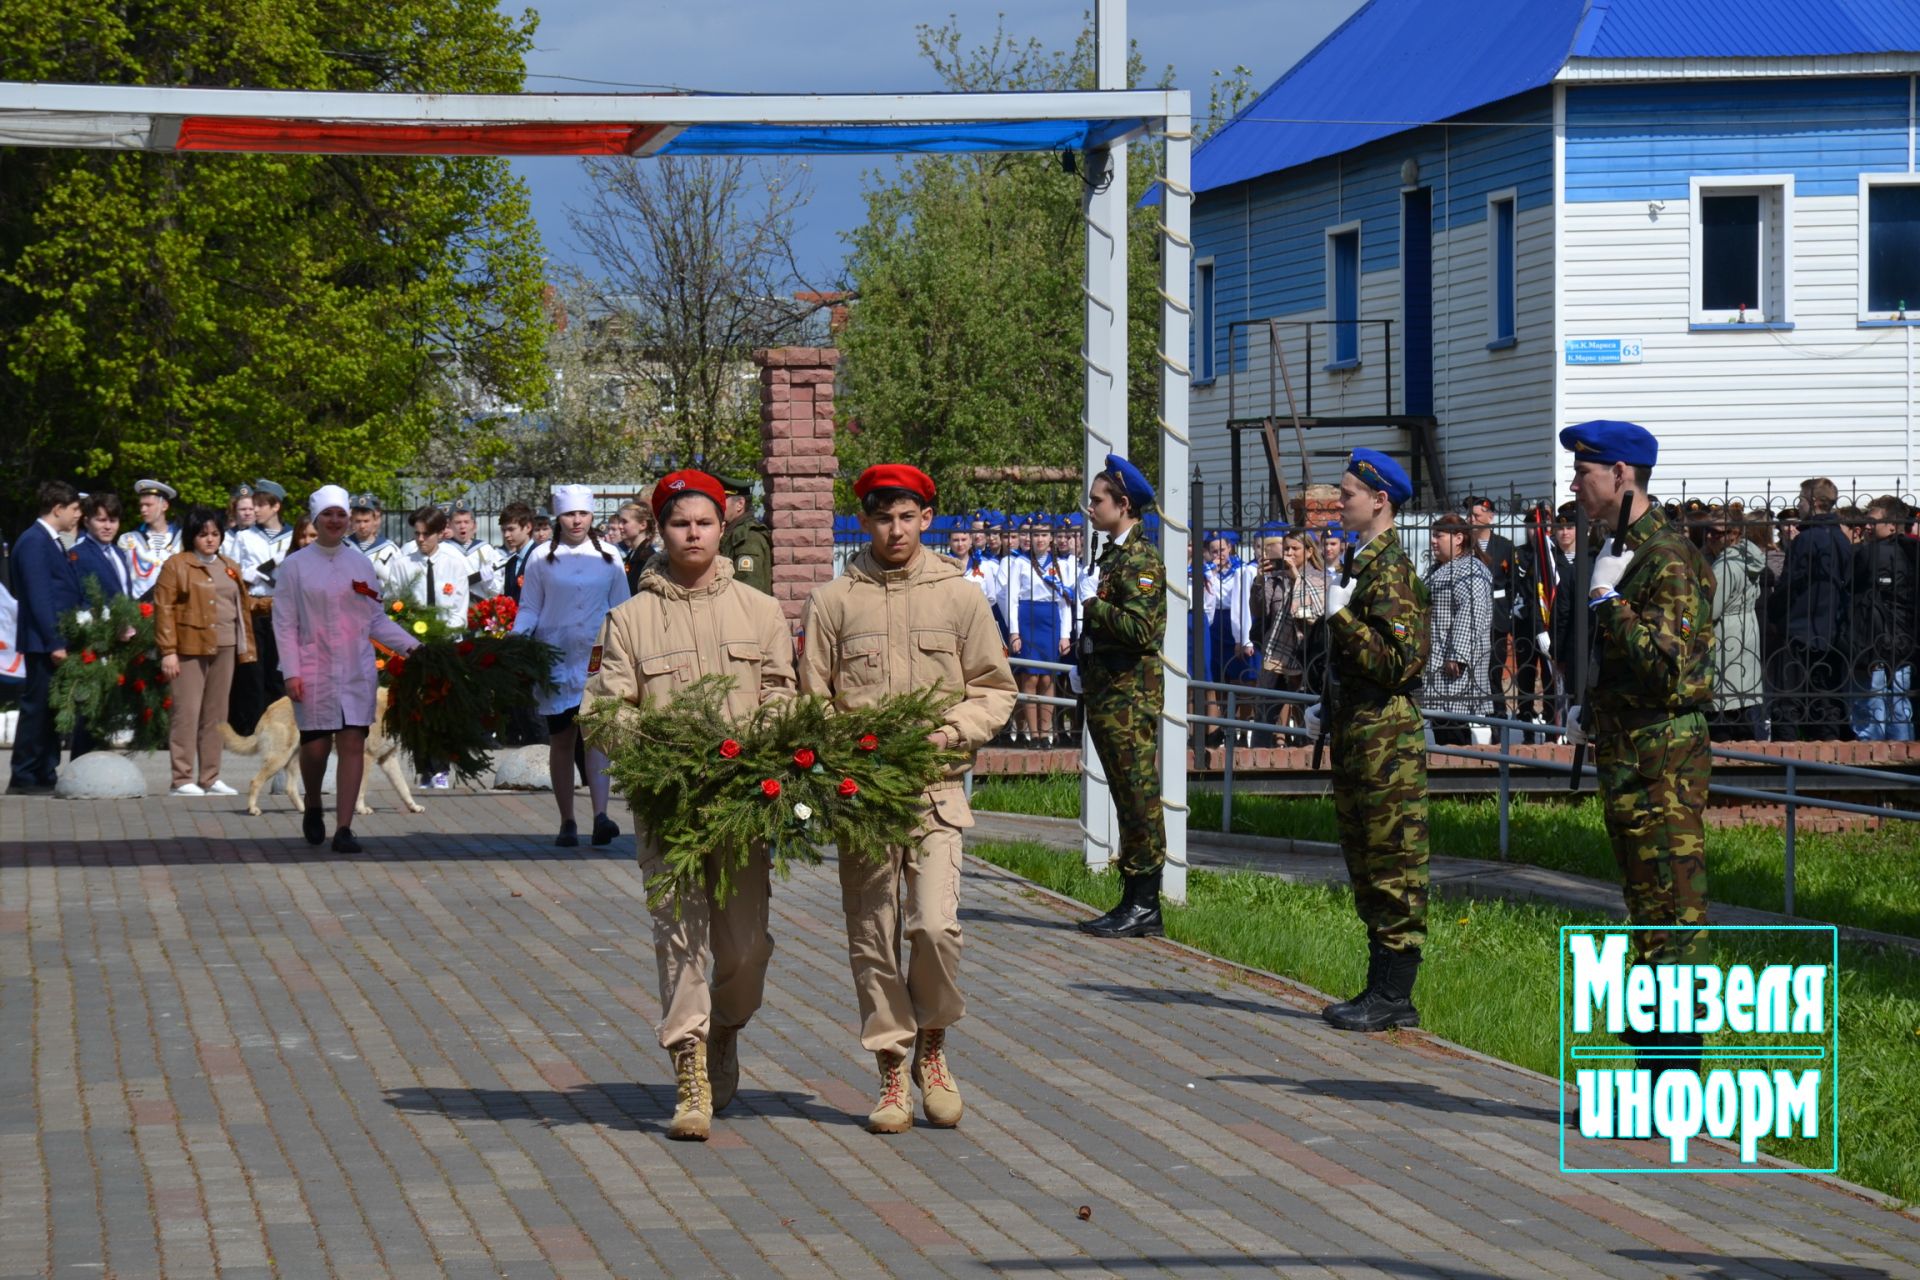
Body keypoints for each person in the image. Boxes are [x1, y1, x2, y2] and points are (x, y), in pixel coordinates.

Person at [799, 463, 1015, 1135]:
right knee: (872, 938)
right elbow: (813, 701)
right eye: (881, 516)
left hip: (935, 791)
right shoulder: (834, 601)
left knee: (933, 926)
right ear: (864, 521)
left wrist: (955, 730)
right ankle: (892, 1068)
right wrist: (849, 750)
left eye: (907, 516)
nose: (895, 529)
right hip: (865, 796)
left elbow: (994, 688)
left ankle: (935, 1045)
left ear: (928, 519)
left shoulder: (960, 597)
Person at [584, 469, 795, 1142]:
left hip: (740, 806)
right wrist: (656, 751)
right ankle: (691, 1068)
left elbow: (782, 695)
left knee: (744, 949)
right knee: (678, 938)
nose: (693, 533)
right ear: (661, 531)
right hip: (669, 808)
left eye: (703, 521)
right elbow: (605, 709)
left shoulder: (760, 613)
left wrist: (759, 746)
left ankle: (726, 1027)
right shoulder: (630, 619)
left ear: (722, 526)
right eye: (679, 523)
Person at [1563, 419, 1715, 1079]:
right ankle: (1655, 1078)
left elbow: (1670, 670)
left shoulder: (1666, 558)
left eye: (1585, 472)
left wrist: (1606, 602)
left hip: (1662, 766)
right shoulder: (1624, 547)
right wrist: (1590, 704)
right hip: (1631, 761)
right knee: (1648, 912)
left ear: (1621, 475)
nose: (1576, 485)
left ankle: (1671, 1089)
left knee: (1672, 919)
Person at [1308, 449, 1430, 1032]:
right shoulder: (1361, 565)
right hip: (1359, 732)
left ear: (1380, 501)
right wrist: (1326, 703)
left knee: (1393, 863)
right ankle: (1378, 987)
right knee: (1366, 861)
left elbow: (1400, 663)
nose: (1340, 503)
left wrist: (1343, 620)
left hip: (1388, 742)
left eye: (1349, 493)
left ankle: (1394, 993)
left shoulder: (1392, 571)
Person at [274, 486, 421, 852]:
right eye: (329, 515)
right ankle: (312, 804)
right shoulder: (295, 566)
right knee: (316, 747)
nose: (337, 521)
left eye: (341, 514)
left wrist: (415, 649)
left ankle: (344, 828)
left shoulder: (361, 564)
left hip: (356, 668)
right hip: (313, 668)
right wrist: (291, 670)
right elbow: (284, 623)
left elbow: (376, 619)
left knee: (354, 742)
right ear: (315, 519)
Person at [1076, 455, 1171, 940]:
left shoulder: (1142, 560)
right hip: (1107, 693)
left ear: (1123, 504)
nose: (1089, 507)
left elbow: (1141, 629)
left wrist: (1094, 605)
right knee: (1123, 794)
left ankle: (1145, 902)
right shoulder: (1111, 554)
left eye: (1097, 500)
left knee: (1138, 798)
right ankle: (1131, 898)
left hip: (1130, 698)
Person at [514, 484, 631, 847]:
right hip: (556, 659)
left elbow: (622, 609)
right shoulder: (540, 558)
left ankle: (601, 816)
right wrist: (516, 639)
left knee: (596, 738)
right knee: (562, 739)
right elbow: (530, 606)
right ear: (558, 516)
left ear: (591, 515)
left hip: (598, 661)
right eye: (569, 514)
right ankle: (567, 820)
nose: (576, 520)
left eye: (582, 514)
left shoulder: (610, 556)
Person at [152, 506, 255, 797]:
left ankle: (211, 776)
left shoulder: (229, 565)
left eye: (215, 534)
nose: (210, 539)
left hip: (225, 646)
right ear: (191, 536)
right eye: (202, 534)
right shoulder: (176, 565)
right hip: (189, 647)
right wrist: (168, 650)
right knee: (187, 713)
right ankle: (182, 778)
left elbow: (242, 605)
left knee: (217, 715)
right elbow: (164, 608)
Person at [7, 482, 83, 794]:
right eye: (75, 509)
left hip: (53, 640)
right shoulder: (34, 542)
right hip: (44, 642)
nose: (78, 515)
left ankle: (45, 771)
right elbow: (40, 597)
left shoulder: (50, 541)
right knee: (37, 708)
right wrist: (55, 642)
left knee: (52, 709)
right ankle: (24, 775)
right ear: (58, 509)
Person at [1773, 478, 1852, 740]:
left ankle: (1786, 753)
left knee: (1789, 698)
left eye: (1801, 500)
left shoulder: (1806, 539)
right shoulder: (1841, 538)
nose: (1799, 505)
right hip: (1831, 627)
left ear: (1815, 502)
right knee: (1825, 697)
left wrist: (1776, 612)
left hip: (1800, 627)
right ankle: (1828, 748)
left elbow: (1789, 584)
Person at [1849, 496, 1916, 742]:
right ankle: (1904, 755)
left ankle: (1871, 752)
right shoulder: (1911, 550)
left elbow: (1855, 589)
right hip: (1904, 639)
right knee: (1899, 703)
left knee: (1871, 703)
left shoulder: (1874, 553)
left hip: (1876, 637)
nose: (1867, 526)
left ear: (1890, 525)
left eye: (1872, 521)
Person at [1423, 514, 1493, 746]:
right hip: (1437, 659)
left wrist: (1457, 655)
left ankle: (1461, 772)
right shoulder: (1440, 569)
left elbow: (1472, 610)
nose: (1433, 541)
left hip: (1454, 666)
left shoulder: (1470, 569)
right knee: (1442, 723)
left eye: (1438, 536)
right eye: (1433, 535)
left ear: (1458, 538)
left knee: (1451, 726)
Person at [1250, 530, 1324, 735]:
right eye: (1286, 548)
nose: (1289, 552)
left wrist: (1297, 578)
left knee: (1308, 712)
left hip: (1307, 654)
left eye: (1295, 548)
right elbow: (1258, 611)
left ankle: (1309, 754)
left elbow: (1311, 612)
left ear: (1309, 552)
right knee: (1265, 710)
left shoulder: (1320, 578)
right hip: (1277, 653)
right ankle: (1260, 750)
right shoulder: (1276, 579)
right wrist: (1259, 580)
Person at [1005, 516, 1071, 745]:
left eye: (1044, 534)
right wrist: (1014, 632)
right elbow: (1012, 600)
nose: (1040, 539)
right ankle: (1034, 735)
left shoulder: (1059, 566)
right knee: (1030, 677)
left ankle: (1047, 734)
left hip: (1050, 621)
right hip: (1027, 619)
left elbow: (1065, 603)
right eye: (1036, 535)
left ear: (1051, 538)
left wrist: (1065, 635)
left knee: (1047, 679)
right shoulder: (1019, 563)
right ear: (1029, 538)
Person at [1707, 504, 1767, 742]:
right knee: (1739, 705)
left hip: (1727, 636)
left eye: (1716, 532)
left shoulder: (1725, 565)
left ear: (1734, 534)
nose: (1710, 537)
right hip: (1746, 630)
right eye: (1708, 531)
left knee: (1723, 707)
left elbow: (1710, 609)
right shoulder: (1746, 557)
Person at [1466, 496, 1520, 725]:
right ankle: (1470, 714)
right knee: (1471, 668)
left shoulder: (1505, 546)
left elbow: (1513, 583)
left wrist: (1508, 611)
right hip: (1471, 616)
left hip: (1497, 615)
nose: (1472, 520)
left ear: (1490, 517)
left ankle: (1498, 716)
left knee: (1495, 669)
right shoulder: (1465, 545)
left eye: (1477, 515)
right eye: (1470, 516)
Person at [117, 478, 181, 598]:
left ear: (164, 506)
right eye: (141, 505)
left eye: (148, 505)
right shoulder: (128, 539)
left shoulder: (182, 539)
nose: (143, 510)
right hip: (139, 610)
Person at [716, 475, 774, 596]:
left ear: (740, 504)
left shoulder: (748, 537)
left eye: (723, 499)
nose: (718, 505)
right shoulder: (731, 532)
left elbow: (748, 592)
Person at [446, 500, 504, 599]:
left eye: (466, 522)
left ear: (474, 525)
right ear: (449, 525)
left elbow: (497, 591)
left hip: (479, 609)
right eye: (457, 522)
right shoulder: (444, 549)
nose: (462, 526)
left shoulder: (485, 549)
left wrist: (488, 581)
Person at [348, 494, 403, 594]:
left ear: (374, 521)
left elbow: (399, 583)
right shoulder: (343, 546)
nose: (362, 526)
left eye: (366, 521)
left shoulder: (390, 550)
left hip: (379, 604)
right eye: (358, 521)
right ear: (351, 521)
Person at [496, 501, 537, 603]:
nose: (506, 535)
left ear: (528, 527)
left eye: (511, 529)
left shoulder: (539, 557)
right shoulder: (511, 563)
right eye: (503, 530)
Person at [222, 485, 256, 563]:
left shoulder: (263, 537)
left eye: (251, 509)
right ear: (234, 511)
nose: (247, 513)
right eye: (243, 509)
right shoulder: (225, 539)